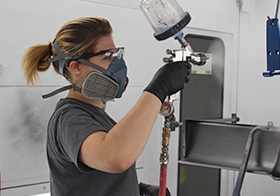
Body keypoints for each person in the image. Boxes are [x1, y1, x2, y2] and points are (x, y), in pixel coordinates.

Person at [22, 16, 191, 196]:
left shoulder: (94, 113)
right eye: (107, 56)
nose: (117, 63)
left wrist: (136, 187)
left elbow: (96, 177)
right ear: (76, 67)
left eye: (115, 54)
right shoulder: (69, 118)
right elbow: (115, 158)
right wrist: (158, 89)